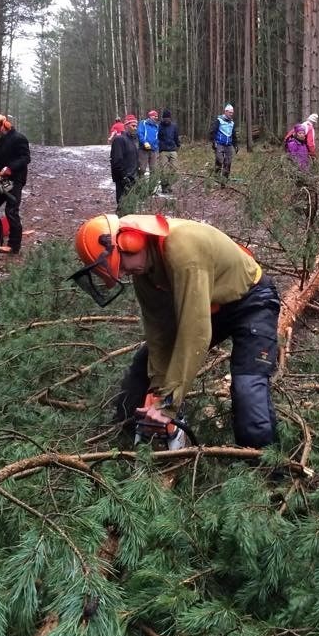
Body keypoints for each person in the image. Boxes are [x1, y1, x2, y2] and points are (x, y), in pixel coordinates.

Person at [71, 213, 280, 448]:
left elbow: (195, 333)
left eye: (121, 266)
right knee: (143, 365)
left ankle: (262, 461)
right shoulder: (144, 271)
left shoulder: (182, 248)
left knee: (247, 385)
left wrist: (169, 402)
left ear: (131, 242)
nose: (122, 274)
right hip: (210, 304)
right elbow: (158, 331)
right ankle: (125, 441)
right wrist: (158, 389)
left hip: (252, 301)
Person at [0, 114, 31, 255]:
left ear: (3, 124)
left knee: (11, 210)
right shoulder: (1, 141)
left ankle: (14, 246)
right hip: (3, 181)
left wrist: (10, 168)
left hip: (15, 180)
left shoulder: (19, 138)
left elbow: (26, 158)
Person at [110, 114, 139, 212]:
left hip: (133, 177)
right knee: (122, 204)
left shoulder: (134, 140)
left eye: (136, 126)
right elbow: (116, 161)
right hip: (123, 179)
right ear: (126, 126)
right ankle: (120, 218)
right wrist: (123, 177)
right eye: (133, 126)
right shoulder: (119, 140)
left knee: (132, 205)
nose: (135, 128)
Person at [209, 104, 237, 182]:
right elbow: (212, 131)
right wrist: (213, 141)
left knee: (228, 162)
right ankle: (216, 178)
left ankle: (224, 181)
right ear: (225, 112)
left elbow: (233, 134)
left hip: (228, 145)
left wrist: (235, 144)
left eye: (232, 113)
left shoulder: (232, 123)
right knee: (220, 160)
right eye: (230, 112)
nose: (231, 114)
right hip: (219, 144)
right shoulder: (219, 120)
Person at [158, 108, 181, 194]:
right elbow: (157, 138)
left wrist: (178, 145)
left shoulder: (174, 126)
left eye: (168, 118)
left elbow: (176, 136)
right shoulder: (159, 126)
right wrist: (159, 147)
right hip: (163, 150)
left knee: (175, 169)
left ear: (170, 118)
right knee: (164, 170)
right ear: (163, 118)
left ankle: (169, 185)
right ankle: (164, 187)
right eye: (165, 118)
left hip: (173, 149)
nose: (167, 120)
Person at [137, 110, 160, 178]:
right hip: (143, 149)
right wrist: (144, 142)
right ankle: (140, 182)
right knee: (142, 168)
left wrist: (156, 146)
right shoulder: (143, 123)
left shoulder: (157, 126)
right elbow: (140, 133)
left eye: (157, 116)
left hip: (153, 150)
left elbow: (157, 137)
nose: (156, 117)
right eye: (155, 116)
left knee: (154, 169)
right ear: (150, 116)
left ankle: (152, 184)